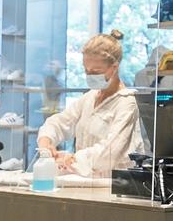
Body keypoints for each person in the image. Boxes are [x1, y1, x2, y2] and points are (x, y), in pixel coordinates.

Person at [36, 30, 146, 178]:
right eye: (86, 71)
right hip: (87, 183)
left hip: (114, 186)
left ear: (114, 68)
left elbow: (109, 153)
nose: (90, 76)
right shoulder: (90, 98)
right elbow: (60, 122)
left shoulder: (126, 104)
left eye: (96, 71)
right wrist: (46, 141)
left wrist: (73, 158)